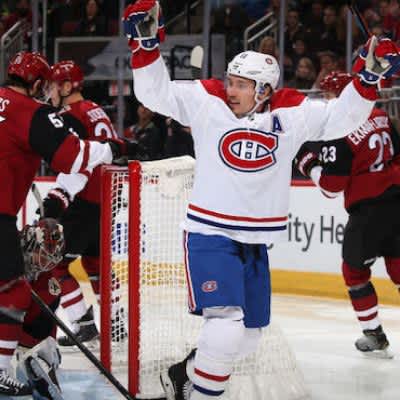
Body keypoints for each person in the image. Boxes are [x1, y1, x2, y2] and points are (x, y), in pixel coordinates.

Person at [123, 1, 400, 398]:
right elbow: (155, 93)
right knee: (225, 327)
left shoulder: (291, 113)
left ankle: (185, 375)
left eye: (241, 84)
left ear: (265, 90)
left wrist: (368, 79)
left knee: (248, 337)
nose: (231, 89)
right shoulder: (207, 101)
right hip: (210, 235)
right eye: (230, 80)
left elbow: (342, 118)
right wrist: (145, 46)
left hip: (254, 244)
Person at [0, 51, 131, 396]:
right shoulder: (45, 112)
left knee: (46, 272)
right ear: (38, 84)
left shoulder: (52, 111)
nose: (52, 92)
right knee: (24, 284)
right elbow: (74, 157)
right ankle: (101, 322)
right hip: (98, 200)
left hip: (81, 203)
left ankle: (77, 326)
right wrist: (114, 149)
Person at [295, 70, 400, 358]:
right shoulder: (380, 115)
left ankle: (374, 335)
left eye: (328, 95)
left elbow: (332, 187)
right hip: (396, 200)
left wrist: (307, 164)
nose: (325, 100)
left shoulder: (340, 127)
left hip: (368, 210)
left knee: (354, 272)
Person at [41, 60, 127, 346]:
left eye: (54, 86)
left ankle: (83, 323)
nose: (50, 92)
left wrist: (58, 199)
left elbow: (78, 163)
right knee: (96, 263)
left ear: (67, 86)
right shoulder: (95, 109)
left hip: (82, 201)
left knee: (53, 264)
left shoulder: (71, 116)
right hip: (108, 198)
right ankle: (116, 322)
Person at [18, 218, 65, 399]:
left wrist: (47, 343)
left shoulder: (49, 281)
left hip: (20, 327)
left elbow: (48, 318)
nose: (48, 261)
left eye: (52, 255)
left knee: (46, 345)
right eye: (44, 254)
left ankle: (34, 355)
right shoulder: (9, 256)